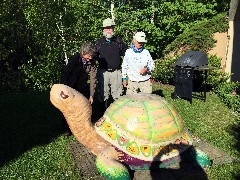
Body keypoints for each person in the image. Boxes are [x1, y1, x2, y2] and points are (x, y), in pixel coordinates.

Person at [61, 42, 97, 134]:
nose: (90, 58)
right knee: (68, 108)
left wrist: (91, 95)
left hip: (82, 86)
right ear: (82, 53)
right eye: (88, 56)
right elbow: (65, 73)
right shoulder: (74, 59)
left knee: (85, 105)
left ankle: (84, 126)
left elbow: (93, 79)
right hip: (70, 86)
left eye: (91, 56)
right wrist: (65, 89)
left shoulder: (92, 62)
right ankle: (67, 128)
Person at [95, 18, 127, 110]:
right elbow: (93, 57)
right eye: (106, 28)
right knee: (103, 95)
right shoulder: (99, 43)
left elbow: (127, 55)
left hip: (116, 73)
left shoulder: (119, 42)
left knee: (117, 96)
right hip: (103, 72)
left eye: (110, 28)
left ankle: (117, 115)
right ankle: (103, 114)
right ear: (103, 30)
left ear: (113, 29)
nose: (108, 30)